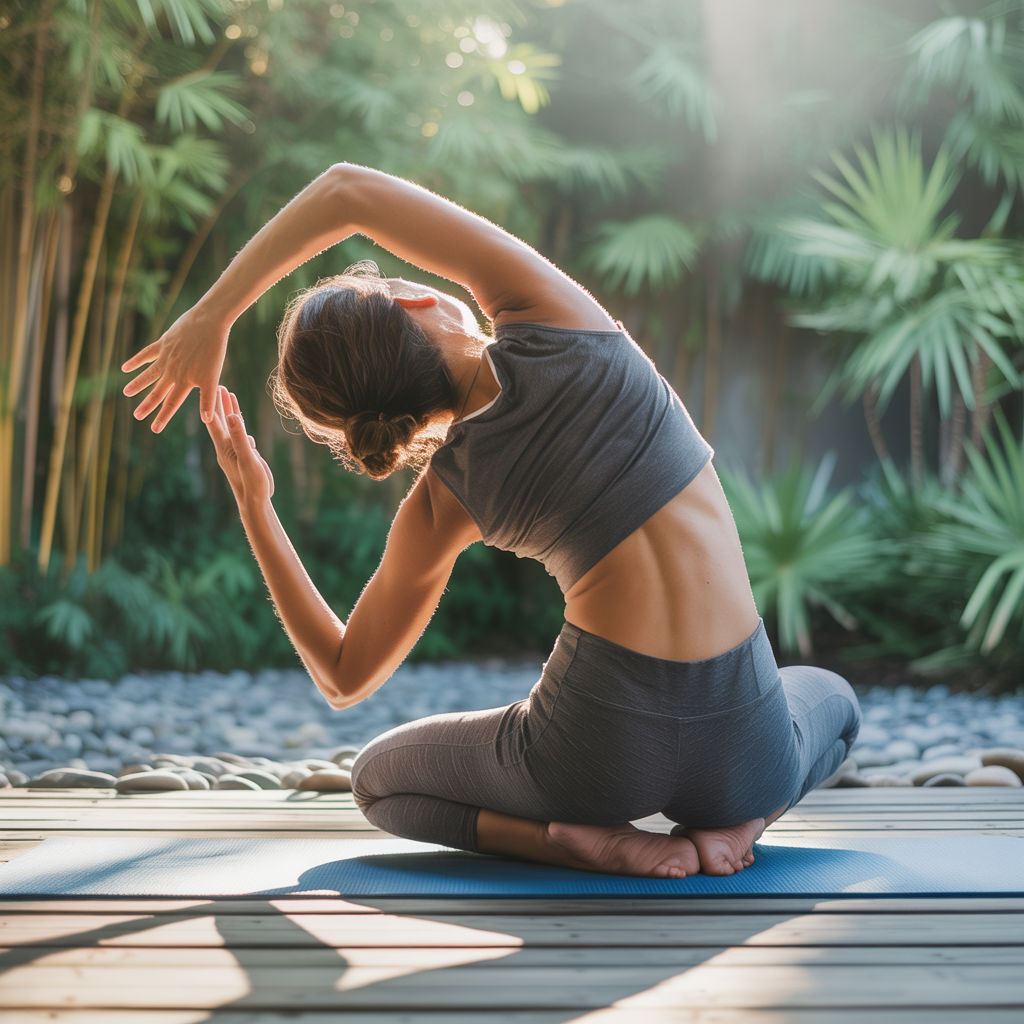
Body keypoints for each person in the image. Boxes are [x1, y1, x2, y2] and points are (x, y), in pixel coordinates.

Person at [123, 163, 860, 878]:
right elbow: (346, 189)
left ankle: (579, 844)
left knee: (379, 779)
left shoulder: (445, 497)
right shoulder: (558, 320)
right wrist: (212, 313)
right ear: (410, 302)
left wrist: (257, 506)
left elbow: (344, 678)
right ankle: (744, 822)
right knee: (833, 699)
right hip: (742, 739)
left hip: (595, 756)